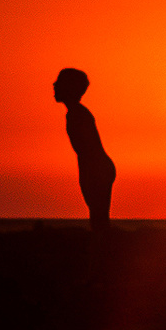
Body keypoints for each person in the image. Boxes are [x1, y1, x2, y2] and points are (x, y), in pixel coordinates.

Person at [53, 68, 116, 234]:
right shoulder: (75, 113)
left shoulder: (79, 115)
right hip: (97, 169)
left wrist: (87, 176)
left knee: (99, 220)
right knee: (98, 219)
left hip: (98, 169)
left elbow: (88, 151)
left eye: (59, 82)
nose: (54, 85)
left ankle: (103, 255)